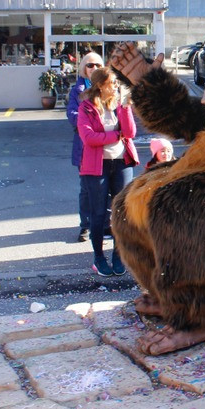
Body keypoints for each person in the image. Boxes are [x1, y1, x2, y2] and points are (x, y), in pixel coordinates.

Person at [77, 66, 139, 277]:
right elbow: (89, 139)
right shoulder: (86, 108)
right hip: (96, 166)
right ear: (100, 85)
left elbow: (130, 132)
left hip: (121, 163)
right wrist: (115, 136)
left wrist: (125, 106)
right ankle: (98, 257)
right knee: (99, 213)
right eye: (113, 83)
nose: (116, 86)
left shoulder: (119, 105)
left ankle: (118, 255)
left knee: (122, 213)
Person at [67, 52, 103, 242]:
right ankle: (86, 226)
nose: (94, 68)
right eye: (90, 65)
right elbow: (72, 114)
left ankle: (105, 225)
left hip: (106, 146)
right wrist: (92, 124)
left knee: (107, 187)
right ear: (83, 68)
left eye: (98, 65)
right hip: (85, 145)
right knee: (86, 189)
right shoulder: (77, 90)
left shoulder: (110, 87)